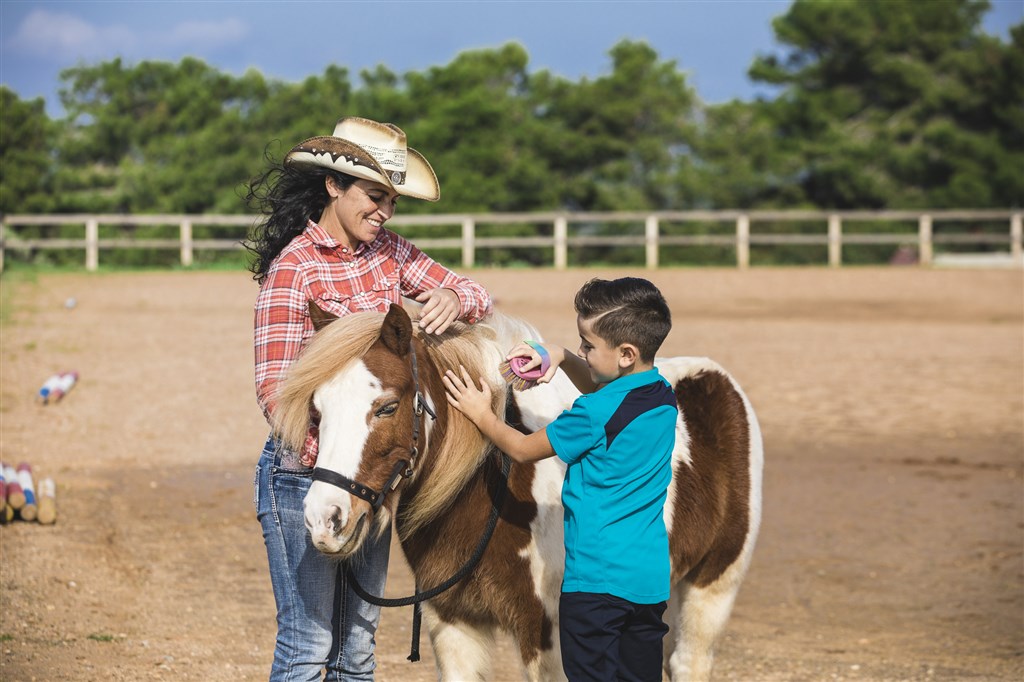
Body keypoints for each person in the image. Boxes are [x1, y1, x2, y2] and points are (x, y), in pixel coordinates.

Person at [246, 116, 493, 681]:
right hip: (304, 474)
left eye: (391, 201)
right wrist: (340, 458)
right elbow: (276, 394)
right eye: (375, 196)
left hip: (366, 475)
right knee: (307, 645)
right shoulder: (294, 271)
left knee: (357, 650)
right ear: (334, 185)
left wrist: (454, 297)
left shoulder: (389, 253)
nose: (384, 211)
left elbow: (477, 292)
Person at [442, 277, 676, 682]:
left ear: (625, 353)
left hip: (596, 585)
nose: (582, 351)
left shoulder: (591, 414)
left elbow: (521, 449)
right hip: (648, 582)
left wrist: (481, 413)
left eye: (587, 345)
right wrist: (563, 357)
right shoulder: (661, 395)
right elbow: (610, 387)